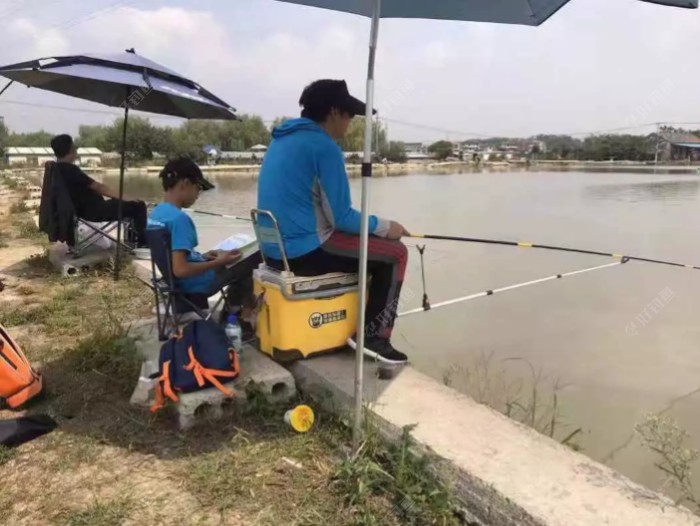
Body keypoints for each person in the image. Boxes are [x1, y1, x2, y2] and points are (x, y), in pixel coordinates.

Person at [257, 79, 410, 364]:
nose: (351, 121)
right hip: (305, 250)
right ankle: (375, 338)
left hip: (274, 251)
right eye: (350, 114)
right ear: (335, 112)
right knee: (395, 254)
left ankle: (352, 322)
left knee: (373, 247)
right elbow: (342, 219)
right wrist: (390, 228)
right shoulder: (323, 147)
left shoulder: (281, 140)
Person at [148, 157, 261, 321]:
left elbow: (175, 258)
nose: (198, 195)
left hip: (178, 284)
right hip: (198, 285)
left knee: (239, 265)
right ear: (185, 183)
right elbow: (180, 269)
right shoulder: (179, 219)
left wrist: (203, 257)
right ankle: (239, 317)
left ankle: (234, 312)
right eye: (198, 188)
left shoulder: (157, 214)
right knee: (255, 257)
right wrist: (219, 262)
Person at [50, 134, 148, 246]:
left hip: (81, 210)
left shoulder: (56, 169)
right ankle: (141, 243)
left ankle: (132, 241)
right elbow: (99, 187)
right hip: (94, 211)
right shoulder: (70, 170)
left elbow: (88, 187)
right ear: (71, 149)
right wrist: (125, 197)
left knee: (130, 204)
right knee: (139, 205)